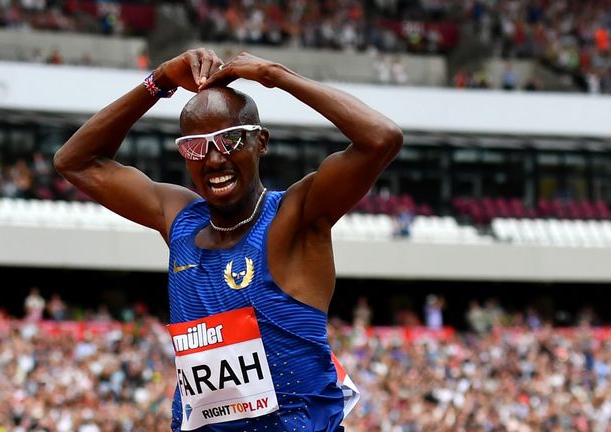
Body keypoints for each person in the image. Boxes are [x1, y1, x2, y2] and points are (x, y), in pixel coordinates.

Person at [54, 48, 402, 431]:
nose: (214, 159)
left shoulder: (296, 218)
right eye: (196, 146)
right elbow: (75, 161)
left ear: (262, 142)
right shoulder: (180, 220)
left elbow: (381, 138)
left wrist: (276, 75)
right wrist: (161, 80)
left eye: (230, 140)